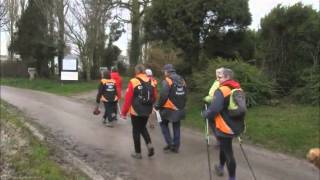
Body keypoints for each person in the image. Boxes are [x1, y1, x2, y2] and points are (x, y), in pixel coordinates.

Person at [203, 68, 245, 180]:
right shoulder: (237, 88)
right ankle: (221, 167)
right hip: (236, 125)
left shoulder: (222, 90)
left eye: (220, 77)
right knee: (224, 147)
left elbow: (214, 109)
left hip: (225, 127)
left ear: (227, 77)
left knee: (229, 153)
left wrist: (205, 114)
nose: (218, 79)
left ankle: (232, 178)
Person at [121, 64, 157, 159]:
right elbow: (155, 96)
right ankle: (149, 144)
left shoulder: (134, 81)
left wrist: (124, 112)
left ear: (136, 71)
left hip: (136, 110)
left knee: (136, 130)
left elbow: (128, 99)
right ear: (144, 71)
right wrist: (150, 106)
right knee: (142, 128)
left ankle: (138, 153)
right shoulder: (151, 81)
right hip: (147, 110)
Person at [155, 64, 187, 153]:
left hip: (168, 108)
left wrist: (158, 105)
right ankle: (176, 146)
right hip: (180, 107)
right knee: (176, 126)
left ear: (167, 71)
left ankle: (170, 144)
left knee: (163, 124)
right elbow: (185, 93)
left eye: (164, 71)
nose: (164, 73)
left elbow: (163, 95)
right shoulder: (182, 79)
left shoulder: (167, 80)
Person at [203, 67, 225, 146]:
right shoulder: (218, 81)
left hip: (216, 105)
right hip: (218, 104)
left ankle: (220, 140)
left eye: (219, 73)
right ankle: (220, 140)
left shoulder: (219, 82)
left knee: (212, 121)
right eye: (217, 73)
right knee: (215, 122)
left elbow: (213, 95)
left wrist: (207, 98)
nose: (217, 75)